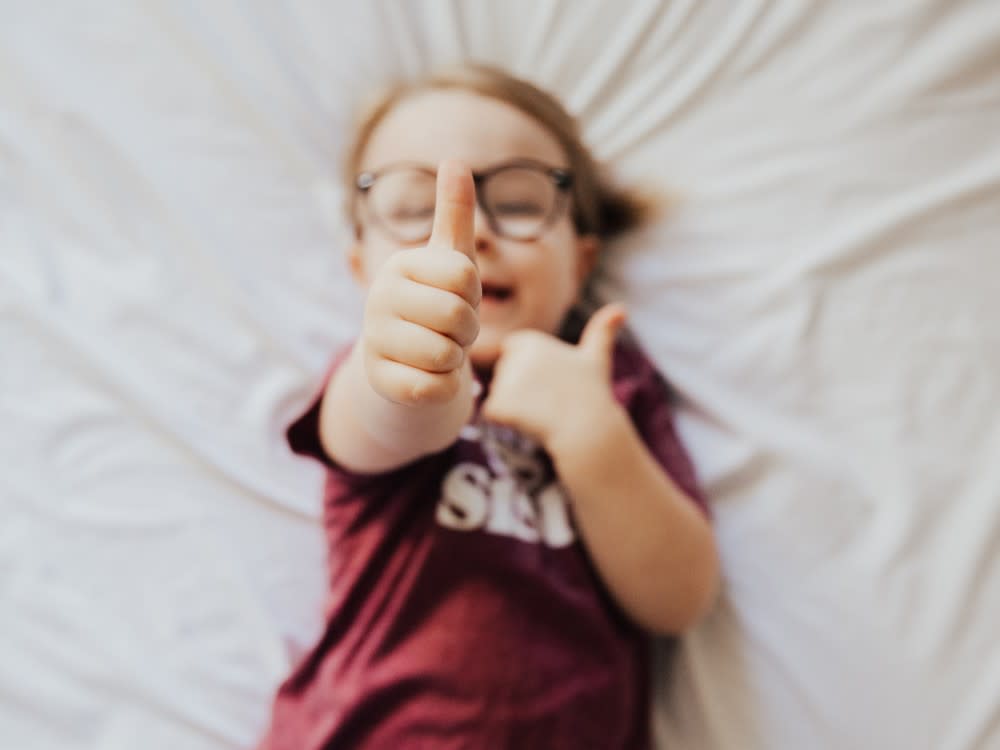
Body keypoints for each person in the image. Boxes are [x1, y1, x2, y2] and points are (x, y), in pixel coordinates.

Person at [259, 62, 719, 750]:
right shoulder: (376, 369)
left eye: (522, 203)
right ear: (362, 270)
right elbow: (384, 422)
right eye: (414, 209)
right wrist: (420, 378)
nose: (471, 231)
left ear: (581, 263)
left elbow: (678, 600)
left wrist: (591, 435)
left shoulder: (615, 385)